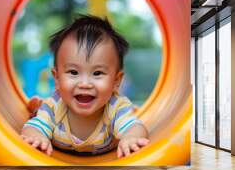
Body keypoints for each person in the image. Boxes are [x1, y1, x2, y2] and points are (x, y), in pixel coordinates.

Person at [21, 15, 149, 158]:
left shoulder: (115, 107)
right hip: (58, 149)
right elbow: (31, 129)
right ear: (56, 78)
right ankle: (36, 107)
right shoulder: (55, 106)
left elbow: (136, 127)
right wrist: (37, 137)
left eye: (97, 73)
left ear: (116, 81)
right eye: (74, 72)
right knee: (37, 114)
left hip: (104, 155)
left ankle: (37, 105)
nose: (85, 84)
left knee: (130, 113)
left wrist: (131, 137)